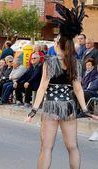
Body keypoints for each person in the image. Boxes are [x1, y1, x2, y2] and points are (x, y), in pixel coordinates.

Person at [25, 2, 90, 168]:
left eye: (55, 41)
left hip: (51, 106)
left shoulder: (50, 62)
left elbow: (42, 88)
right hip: (68, 107)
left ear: (58, 45)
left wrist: (33, 110)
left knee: (46, 148)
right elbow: (78, 89)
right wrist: (85, 110)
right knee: (73, 147)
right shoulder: (76, 63)